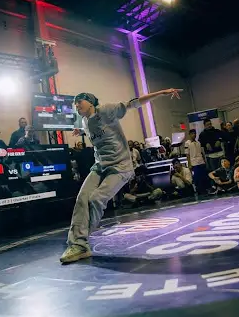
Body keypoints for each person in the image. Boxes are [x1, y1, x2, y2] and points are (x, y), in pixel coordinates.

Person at [60, 88, 182, 263]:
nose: (76, 104)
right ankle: (79, 245)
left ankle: (80, 241)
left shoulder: (107, 110)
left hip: (120, 166)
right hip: (100, 165)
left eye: (80, 100)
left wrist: (162, 92)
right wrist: (81, 131)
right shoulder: (85, 121)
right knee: (82, 198)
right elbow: (94, 129)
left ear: (91, 101)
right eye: (75, 102)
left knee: (96, 199)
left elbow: (135, 103)